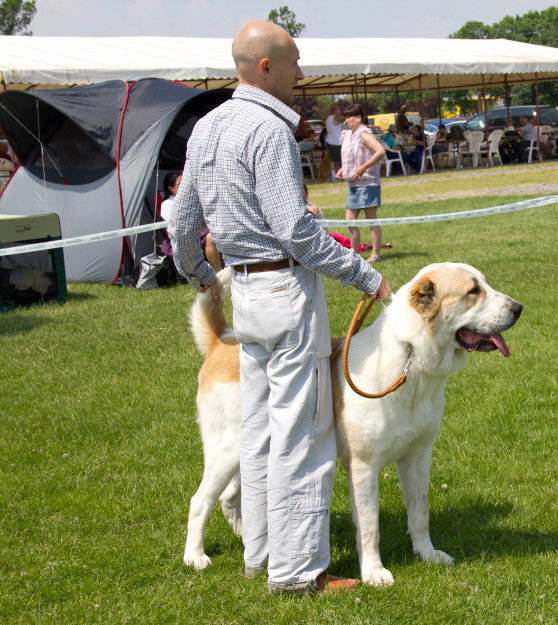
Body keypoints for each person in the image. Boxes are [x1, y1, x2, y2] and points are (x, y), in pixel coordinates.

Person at [169, 20, 391, 596]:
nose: (301, 73)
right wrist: (365, 275)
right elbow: (294, 231)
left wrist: (200, 277)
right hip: (287, 297)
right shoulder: (269, 129)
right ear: (264, 67)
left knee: (259, 433)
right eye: (293, 62)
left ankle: (259, 556)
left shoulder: (208, 125)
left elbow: (178, 218)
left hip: (245, 296)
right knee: (302, 434)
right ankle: (298, 574)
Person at [337, 101, 386, 263]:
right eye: (346, 117)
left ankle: (376, 254)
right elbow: (347, 156)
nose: (347, 120)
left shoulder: (365, 134)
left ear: (359, 117)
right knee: (350, 220)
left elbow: (380, 152)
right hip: (353, 185)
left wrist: (364, 167)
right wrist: (342, 169)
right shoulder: (347, 135)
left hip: (368, 183)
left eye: (350, 117)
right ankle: (354, 253)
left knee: (371, 218)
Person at [162, 171, 221, 271]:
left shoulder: (190, 200)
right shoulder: (167, 204)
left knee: (219, 232)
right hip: (182, 237)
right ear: (170, 188)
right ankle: (218, 272)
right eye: (179, 184)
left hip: (197, 232)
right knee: (210, 238)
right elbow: (178, 225)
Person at [323, 103, 345, 182]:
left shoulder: (328, 119)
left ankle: (333, 176)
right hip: (337, 142)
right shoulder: (336, 118)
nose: (340, 112)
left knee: (332, 160)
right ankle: (341, 175)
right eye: (339, 110)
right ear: (335, 111)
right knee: (341, 160)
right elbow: (344, 119)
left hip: (329, 141)